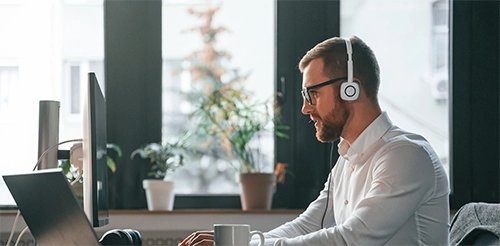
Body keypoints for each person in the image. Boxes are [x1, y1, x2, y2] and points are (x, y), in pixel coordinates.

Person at [179, 36, 450, 246]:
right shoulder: (348, 160)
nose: (305, 109)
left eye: (312, 94)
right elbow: (306, 225)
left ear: (350, 88)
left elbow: (352, 239)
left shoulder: (405, 155)